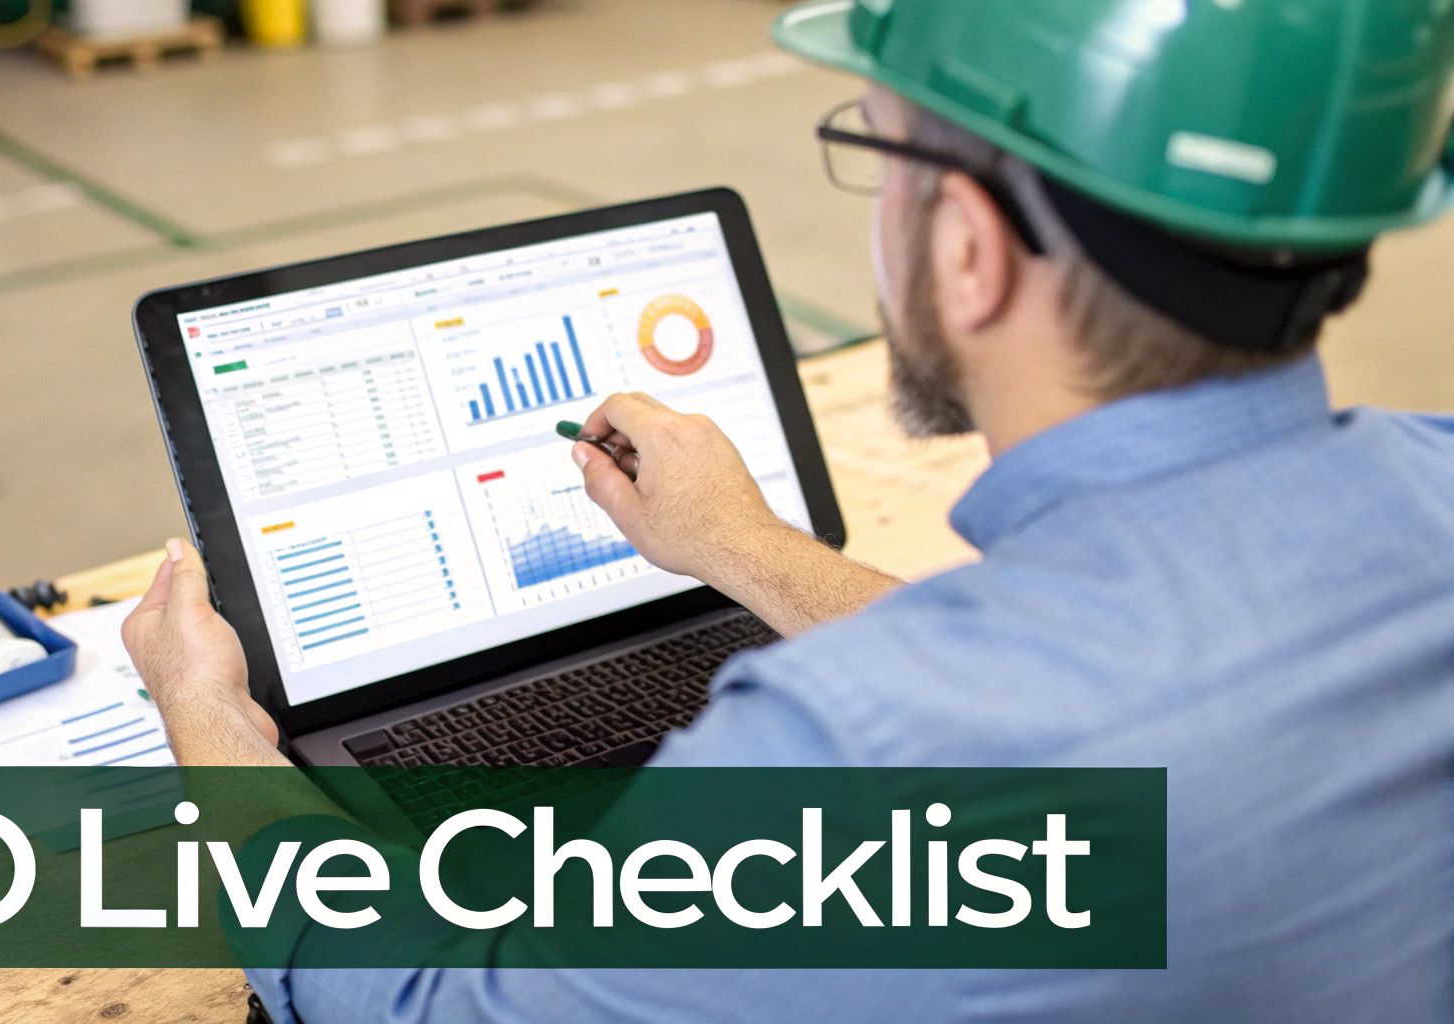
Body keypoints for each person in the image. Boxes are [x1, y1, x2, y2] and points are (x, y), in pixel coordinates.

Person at [123, 0, 1454, 1019]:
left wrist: (207, 715)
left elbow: (422, 1003)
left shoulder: (859, 757)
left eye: (882, 160)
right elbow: (1104, 671)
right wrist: (746, 550)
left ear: (966, 250)